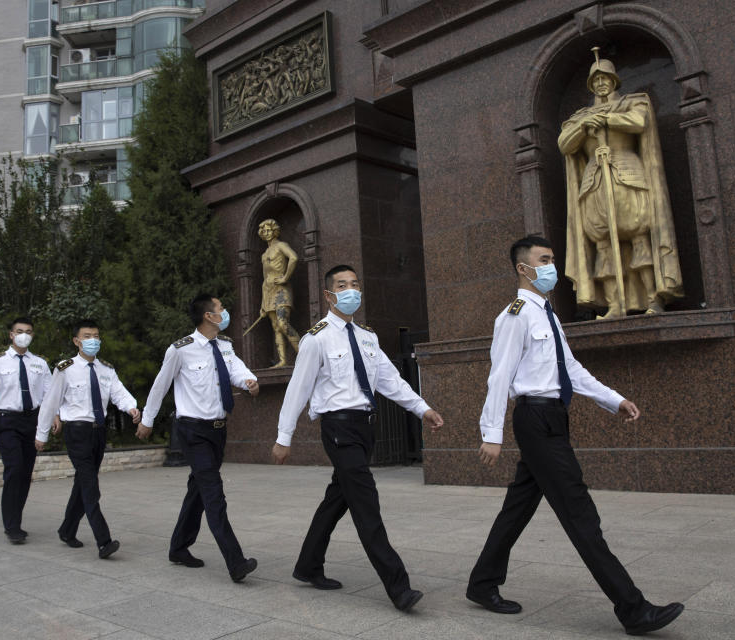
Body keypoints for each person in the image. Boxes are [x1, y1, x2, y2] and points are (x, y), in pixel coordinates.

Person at [465, 236, 683, 635]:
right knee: (579, 512)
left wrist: (614, 400)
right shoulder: (515, 315)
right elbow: (498, 376)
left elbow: (572, 370)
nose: (552, 267)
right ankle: (633, 609)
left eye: (552, 259)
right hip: (535, 419)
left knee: (518, 507)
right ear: (522, 268)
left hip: (552, 419)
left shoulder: (547, 314)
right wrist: (491, 433)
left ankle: (482, 583)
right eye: (544, 260)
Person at [272, 265, 444, 613]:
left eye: (354, 284)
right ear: (329, 295)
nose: (351, 290)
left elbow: (389, 380)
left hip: (365, 426)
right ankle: (399, 587)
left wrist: (421, 408)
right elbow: (298, 389)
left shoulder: (367, 337)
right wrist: (283, 436)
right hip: (338, 428)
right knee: (366, 503)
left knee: (338, 498)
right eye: (342, 285)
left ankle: (308, 565)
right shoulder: (316, 339)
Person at [138, 294, 260, 582]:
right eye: (220, 308)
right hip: (192, 430)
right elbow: (160, 385)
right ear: (208, 315)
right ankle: (236, 561)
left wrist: (249, 381)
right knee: (213, 492)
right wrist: (147, 420)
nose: (225, 312)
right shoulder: (181, 350)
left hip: (218, 429)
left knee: (199, 488)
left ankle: (179, 547)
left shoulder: (225, 346)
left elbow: (236, 370)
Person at [557, 50, 683, 318]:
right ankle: (614, 305)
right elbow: (564, 144)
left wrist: (607, 118)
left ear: (614, 81)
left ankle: (653, 298)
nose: (601, 83)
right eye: (596, 80)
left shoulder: (633, 103)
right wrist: (583, 127)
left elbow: (639, 122)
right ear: (591, 85)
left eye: (605, 78)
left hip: (628, 176)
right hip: (594, 183)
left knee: (639, 238)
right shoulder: (581, 116)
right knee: (603, 245)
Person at [35, 319, 140, 559]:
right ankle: (103, 541)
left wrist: (132, 408)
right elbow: (50, 403)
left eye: (96, 335)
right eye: (87, 336)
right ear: (76, 341)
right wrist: (41, 435)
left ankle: (67, 529)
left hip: (98, 431)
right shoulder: (65, 368)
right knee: (91, 486)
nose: (93, 340)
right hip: (77, 431)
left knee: (83, 483)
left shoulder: (106, 369)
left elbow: (118, 393)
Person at [0, 317, 51, 544]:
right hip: (7, 421)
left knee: (25, 473)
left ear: (32, 335)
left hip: (32, 421)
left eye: (28, 331)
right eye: (19, 331)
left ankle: (16, 520)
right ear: (11, 334)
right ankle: (11, 526)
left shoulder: (40, 363)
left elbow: (49, 394)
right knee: (14, 468)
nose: (23, 335)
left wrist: (54, 416)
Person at [256, 218, 301, 367]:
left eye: (269, 230)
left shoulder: (281, 245)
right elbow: (264, 279)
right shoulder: (264, 254)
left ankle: (304, 355)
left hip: (281, 289)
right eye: (264, 231)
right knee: (276, 327)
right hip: (268, 291)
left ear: (275, 231)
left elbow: (294, 258)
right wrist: (263, 304)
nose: (267, 233)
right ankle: (283, 361)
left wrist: (286, 277)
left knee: (283, 323)